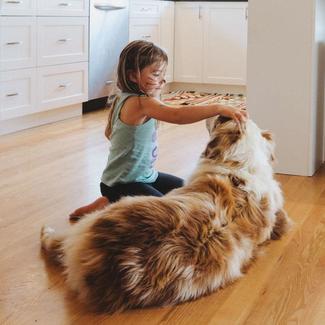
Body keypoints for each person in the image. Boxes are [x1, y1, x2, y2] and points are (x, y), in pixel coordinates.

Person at [69, 40, 247, 221]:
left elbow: (111, 134)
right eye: (155, 74)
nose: (162, 80)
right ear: (132, 76)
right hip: (122, 184)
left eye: (163, 74)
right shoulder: (140, 103)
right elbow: (178, 115)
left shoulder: (125, 99)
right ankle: (113, 203)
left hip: (144, 177)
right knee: (170, 212)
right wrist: (216, 108)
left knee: (189, 190)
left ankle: (109, 202)